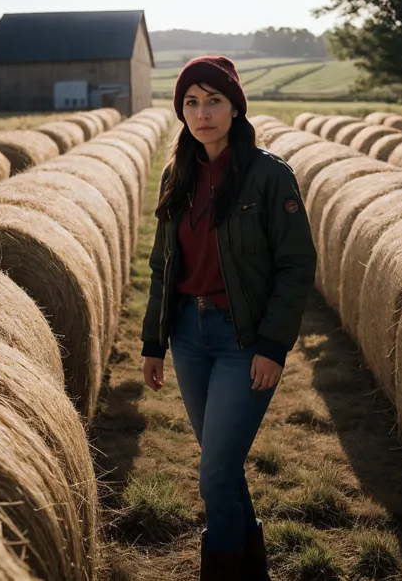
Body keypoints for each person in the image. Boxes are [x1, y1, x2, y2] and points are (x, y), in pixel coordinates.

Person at [140, 56, 317, 581]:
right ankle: (251, 570)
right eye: (191, 102)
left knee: (214, 473)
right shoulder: (178, 174)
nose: (203, 112)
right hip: (189, 339)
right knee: (223, 465)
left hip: (242, 339)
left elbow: (295, 266)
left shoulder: (268, 175)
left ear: (235, 106)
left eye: (214, 100)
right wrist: (154, 343)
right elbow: (161, 265)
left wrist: (273, 346)